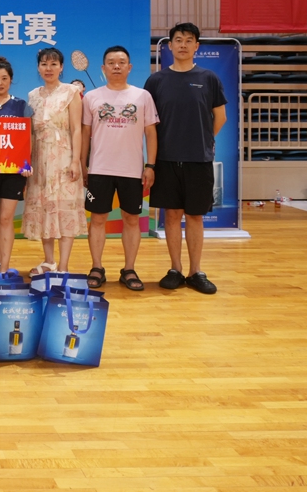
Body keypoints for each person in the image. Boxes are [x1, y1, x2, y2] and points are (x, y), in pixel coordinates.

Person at [144, 22, 226, 295]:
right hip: (166, 160)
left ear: (196, 46)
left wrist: (203, 140)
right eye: (178, 40)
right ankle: (175, 269)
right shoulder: (156, 81)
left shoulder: (209, 78)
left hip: (198, 160)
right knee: (171, 215)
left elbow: (220, 117)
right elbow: (149, 123)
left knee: (194, 216)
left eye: (189, 40)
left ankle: (196, 272)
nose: (183, 44)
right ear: (169, 46)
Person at [81, 46, 158, 292]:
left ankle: (129, 269)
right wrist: (83, 164)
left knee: (131, 219)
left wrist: (150, 165)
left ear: (129, 67)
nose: (116, 66)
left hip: (132, 170)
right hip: (99, 169)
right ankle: (96, 267)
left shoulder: (142, 96)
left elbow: (151, 133)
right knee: (97, 219)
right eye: (111, 62)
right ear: (103, 68)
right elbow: (84, 134)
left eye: (121, 62)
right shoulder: (91, 97)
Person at [22, 47, 84, 275]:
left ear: (61, 67)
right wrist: (26, 162)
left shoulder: (71, 92)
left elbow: (76, 129)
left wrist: (76, 161)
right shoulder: (32, 95)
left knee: (65, 208)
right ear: (38, 67)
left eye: (53, 64)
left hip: (64, 157)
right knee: (43, 209)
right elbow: (29, 132)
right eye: (44, 64)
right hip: (40, 160)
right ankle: (49, 261)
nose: (48, 68)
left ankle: (64, 266)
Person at [0, 56, 34, 274]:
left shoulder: (21, 106)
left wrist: (27, 163)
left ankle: (5, 266)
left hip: (14, 171)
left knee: (5, 217)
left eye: (4, 78)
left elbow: (28, 138)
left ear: (11, 80)